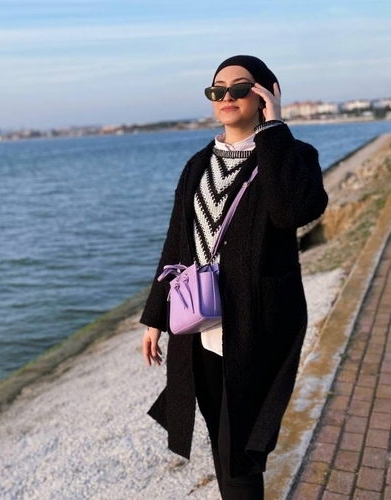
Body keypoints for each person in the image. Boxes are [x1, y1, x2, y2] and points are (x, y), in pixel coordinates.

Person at [140, 55, 328, 500]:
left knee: (242, 450)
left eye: (240, 87)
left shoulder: (292, 155)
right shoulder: (197, 165)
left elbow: (294, 212)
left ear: (265, 94)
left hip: (257, 326)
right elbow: (176, 244)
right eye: (217, 90)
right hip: (199, 325)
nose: (226, 96)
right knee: (222, 447)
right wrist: (155, 318)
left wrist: (274, 129)